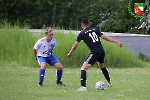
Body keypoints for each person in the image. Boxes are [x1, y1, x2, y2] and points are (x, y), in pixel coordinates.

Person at [67, 18, 122, 91]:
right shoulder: (95, 30)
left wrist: (70, 52)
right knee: (101, 66)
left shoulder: (82, 33)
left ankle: (83, 87)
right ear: (88, 24)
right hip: (101, 51)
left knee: (83, 68)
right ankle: (109, 82)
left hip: (95, 52)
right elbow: (105, 37)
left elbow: (75, 45)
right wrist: (117, 41)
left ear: (82, 25)